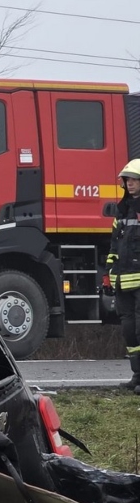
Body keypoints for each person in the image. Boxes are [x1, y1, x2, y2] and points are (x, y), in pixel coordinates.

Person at [108, 159, 140, 394]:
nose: (130, 184)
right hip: (123, 280)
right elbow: (114, 245)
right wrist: (110, 271)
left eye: (134, 180)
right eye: (127, 180)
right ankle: (137, 376)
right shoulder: (122, 210)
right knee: (129, 331)